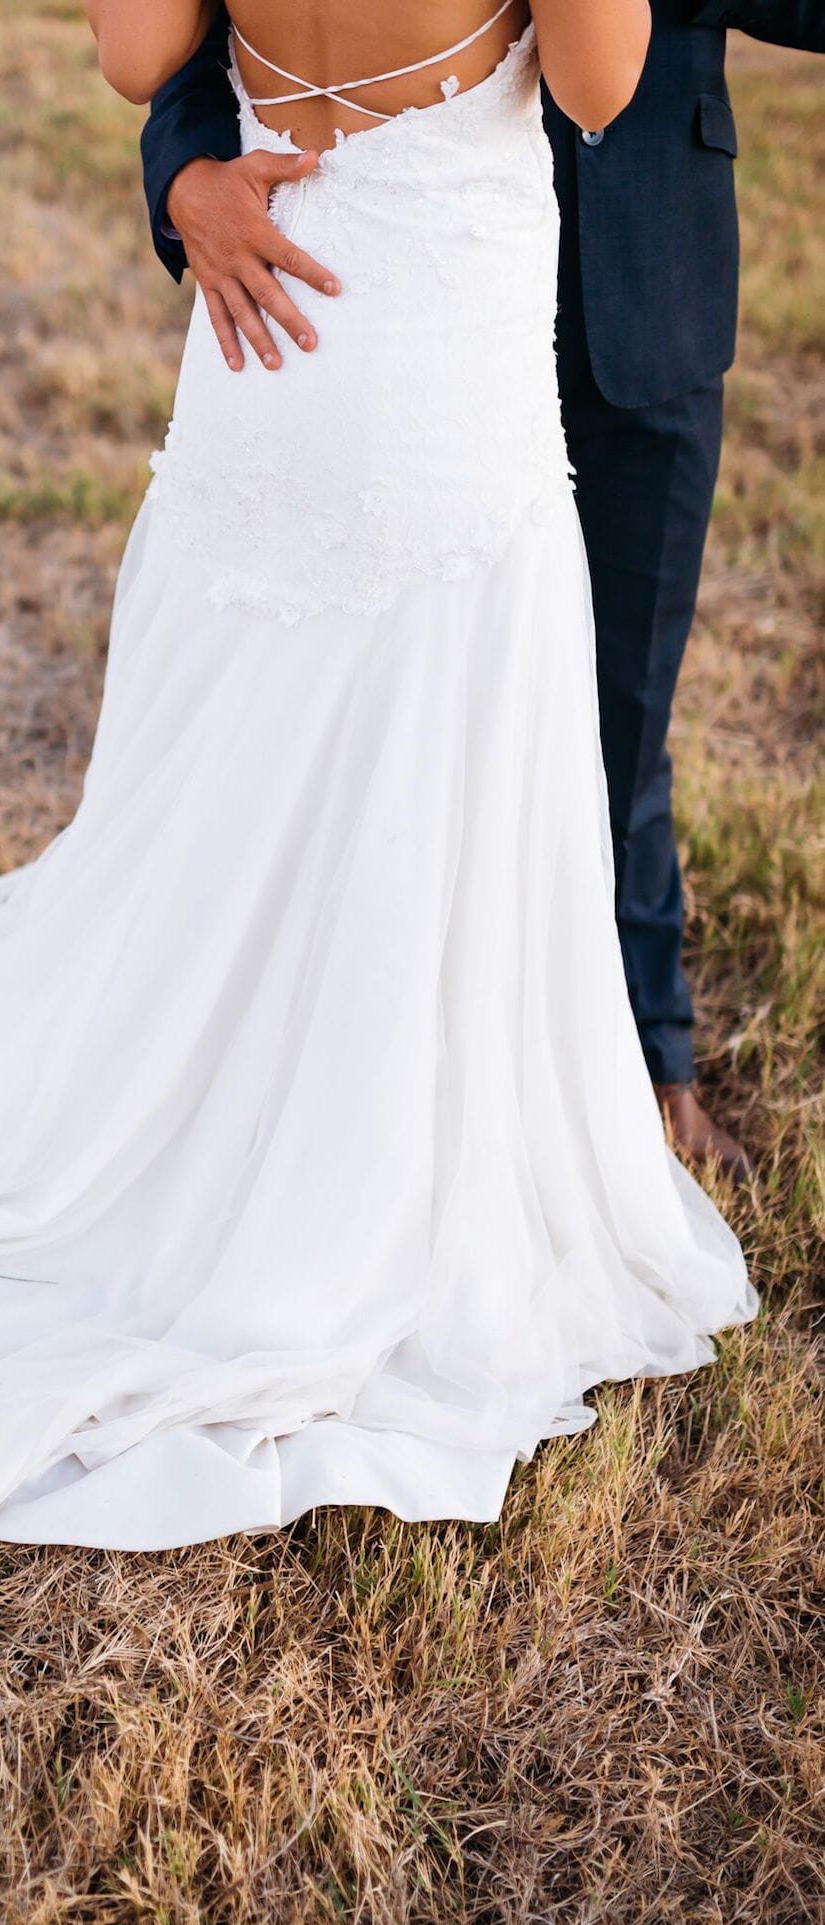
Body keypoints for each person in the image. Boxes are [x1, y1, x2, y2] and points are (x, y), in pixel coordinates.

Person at [0, 0, 758, 1563]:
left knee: (241, 741)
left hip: (282, 342)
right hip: (432, 348)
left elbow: (136, 49)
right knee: (435, 733)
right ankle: (361, 1168)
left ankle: (230, 1106)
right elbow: (599, 75)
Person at [141, 0, 825, 1186]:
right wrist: (182, 174)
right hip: (378, 286)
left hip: (636, 278)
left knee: (613, 703)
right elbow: (181, 41)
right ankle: (345, 1084)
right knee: (346, 710)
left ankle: (638, 1057)